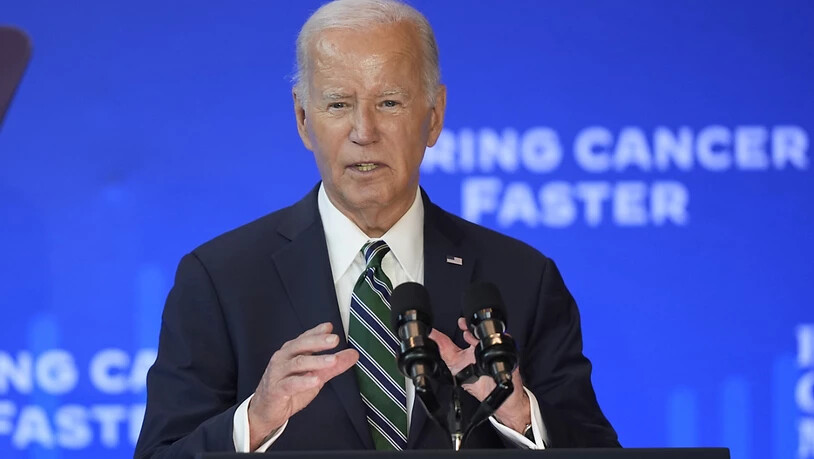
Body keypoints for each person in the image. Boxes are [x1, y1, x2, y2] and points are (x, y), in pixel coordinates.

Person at [134, 0, 619, 457]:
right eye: (339, 105)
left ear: (435, 117)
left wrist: (515, 411)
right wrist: (253, 420)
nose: (364, 131)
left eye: (389, 102)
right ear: (303, 119)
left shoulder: (522, 278)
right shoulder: (220, 280)